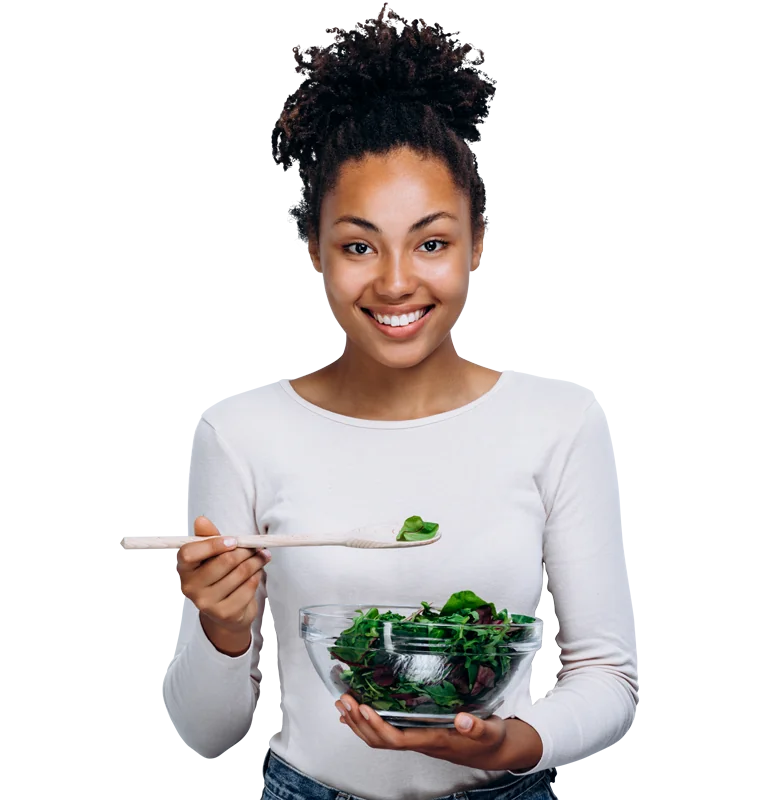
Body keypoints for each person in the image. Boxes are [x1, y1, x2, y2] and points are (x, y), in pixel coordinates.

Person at [161, 5, 639, 799]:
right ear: (312, 248)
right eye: (357, 245)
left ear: (478, 240)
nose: (393, 282)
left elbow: (607, 677)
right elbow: (202, 733)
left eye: (431, 241)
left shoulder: (558, 423)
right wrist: (222, 631)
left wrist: (514, 743)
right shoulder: (241, 432)